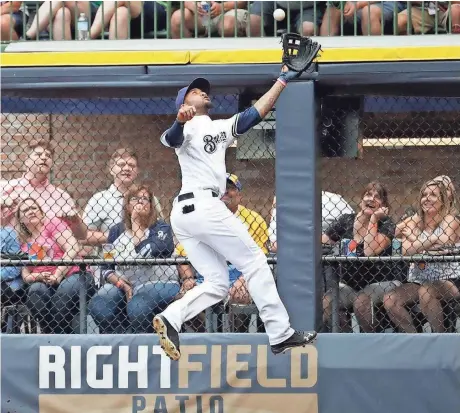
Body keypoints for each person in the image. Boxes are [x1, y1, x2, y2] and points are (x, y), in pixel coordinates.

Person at [153, 66, 317, 361]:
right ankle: (280, 333)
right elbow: (172, 139)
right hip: (202, 205)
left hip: (186, 213)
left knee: (217, 282)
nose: (203, 92)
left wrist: (282, 80)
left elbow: (256, 112)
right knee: (254, 260)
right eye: (194, 91)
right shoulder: (186, 126)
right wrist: (179, 120)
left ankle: (172, 317)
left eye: (203, 90)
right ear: (184, 103)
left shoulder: (218, 127)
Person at [88, 185, 178, 334]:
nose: (140, 202)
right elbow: (106, 266)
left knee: (138, 308)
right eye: (135, 199)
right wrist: (120, 283)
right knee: (99, 305)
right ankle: (120, 340)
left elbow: (146, 252)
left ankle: (145, 343)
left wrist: (136, 223)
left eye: (145, 199)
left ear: (151, 205)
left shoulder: (161, 227)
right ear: (127, 205)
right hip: (126, 285)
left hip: (160, 283)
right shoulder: (116, 231)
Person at [321, 181, 402, 332]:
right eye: (368, 194)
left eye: (377, 197)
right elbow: (324, 240)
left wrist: (373, 220)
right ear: (361, 200)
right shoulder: (346, 220)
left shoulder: (386, 223)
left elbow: (370, 250)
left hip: (383, 282)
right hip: (350, 284)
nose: (371, 199)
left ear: (383, 205)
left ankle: (373, 343)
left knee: (361, 302)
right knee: (327, 302)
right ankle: (347, 342)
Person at [384, 179, 460, 333]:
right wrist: (432, 240)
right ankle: (415, 338)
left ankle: (439, 337)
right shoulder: (414, 221)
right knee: (390, 300)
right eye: (424, 195)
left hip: (449, 279)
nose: (427, 198)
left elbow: (446, 240)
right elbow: (403, 250)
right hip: (419, 279)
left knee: (426, 292)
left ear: (443, 200)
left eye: (433, 195)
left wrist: (415, 241)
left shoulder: (450, 219)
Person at [16, 198, 94, 334]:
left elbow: (72, 247)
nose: (31, 212)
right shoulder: (24, 242)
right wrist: (37, 276)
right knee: (35, 292)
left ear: (41, 212)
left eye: (34, 208)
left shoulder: (52, 223)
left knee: (63, 294)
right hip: (45, 281)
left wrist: (58, 274)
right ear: (21, 219)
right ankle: (51, 334)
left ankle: (58, 337)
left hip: (74, 273)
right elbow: (26, 275)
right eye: (25, 210)